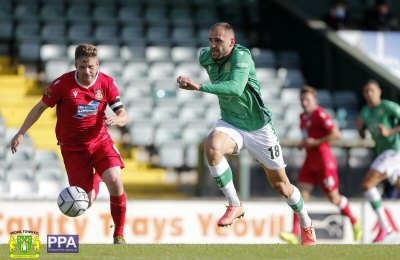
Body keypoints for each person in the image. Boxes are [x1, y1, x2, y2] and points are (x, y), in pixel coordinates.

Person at [176, 22, 316, 245]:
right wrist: (183, 80)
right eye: (210, 40)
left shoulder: (242, 57)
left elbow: (235, 88)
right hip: (231, 122)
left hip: (259, 128)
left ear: (232, 42)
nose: (212, 45)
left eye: (218, 41)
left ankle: (306, 224)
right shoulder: (205, 56)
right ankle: (234, 204)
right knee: (212, 147)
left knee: (282, 186)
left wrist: (199, 86)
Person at [10, 44, 128, 244]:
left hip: (100, 142)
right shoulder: (62, 84)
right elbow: (40, 108)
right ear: (75, 65)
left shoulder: (107, 83)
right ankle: (98, 175)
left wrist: (118, 120)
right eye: (82, 67)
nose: (87, 71)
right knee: (86, 202)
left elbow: (123, 114)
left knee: (115, 180)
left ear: (97, 64)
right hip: (73, 149)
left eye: (90, 66)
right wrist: (21, 132)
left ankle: (119, 235)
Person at [279, 86, 362, 244]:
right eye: (302, 99)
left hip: (325, 162)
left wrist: (316, 142)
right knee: (299, 196)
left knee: (334, 197)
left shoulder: (320, 114)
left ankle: (354, 220)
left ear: (314, 100)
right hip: (310, 163)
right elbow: (310, 137)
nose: (304, 102)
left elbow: (336, 133)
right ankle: (294, 232)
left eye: (307, 99)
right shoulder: (302, 117)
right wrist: (305, 144)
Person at [356, 79, 400, 243]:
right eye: (366, 91)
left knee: (367, 185)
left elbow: (391, 130)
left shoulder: (389, 107)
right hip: (385, 153)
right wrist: (360, 128)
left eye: (372, 90)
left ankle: (385, 227)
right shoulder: (365, 112)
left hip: (394, 151)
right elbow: (363, 135)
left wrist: (390, 131)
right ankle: (385, 227)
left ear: (379, 92)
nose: (369, 94)